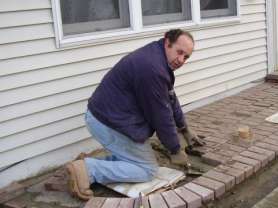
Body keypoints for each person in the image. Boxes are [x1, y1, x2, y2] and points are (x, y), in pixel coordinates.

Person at [66, 29, 204, 200]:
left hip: (111, 117)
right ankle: (88, 170)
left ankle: (92, 163)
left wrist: (184, 128)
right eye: (180, 52)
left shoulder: (158, 58)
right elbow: (161, 115)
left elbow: (170, 98)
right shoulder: (153, 68)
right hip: (108, 123)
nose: (181, 60)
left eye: (186, 57)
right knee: (148, 170)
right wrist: (175, 149)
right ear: (167, 42)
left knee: (139, 158)